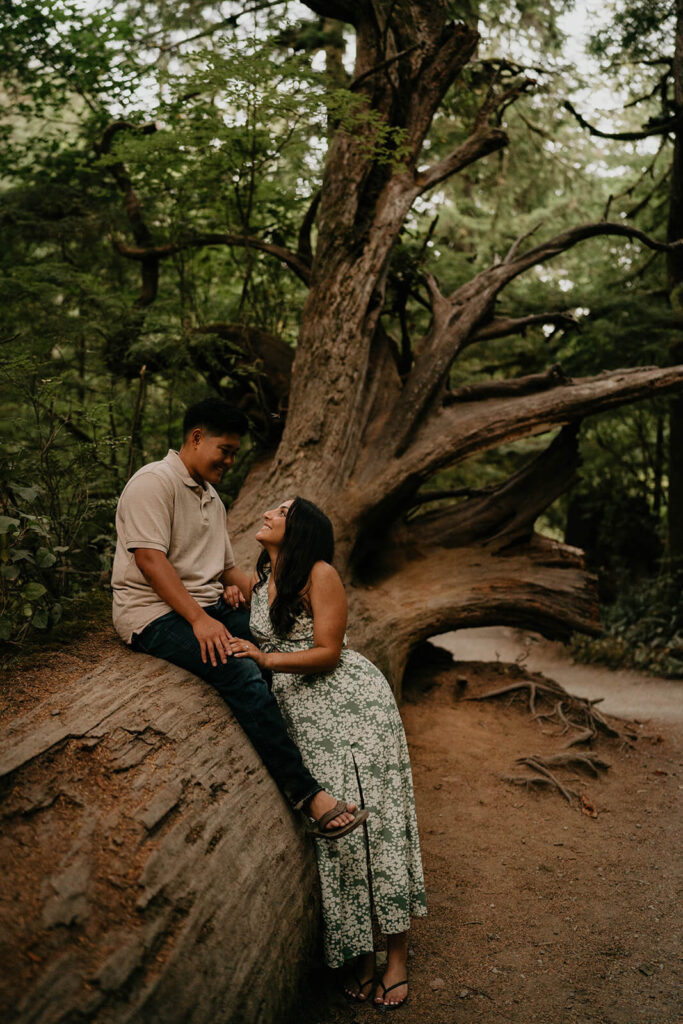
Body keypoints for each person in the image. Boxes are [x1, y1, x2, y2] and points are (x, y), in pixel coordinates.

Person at [111, 397, 367, 839]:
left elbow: (227, 571)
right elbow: (151, 561)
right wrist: (199, 620)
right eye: (224, 450)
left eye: (233, 453)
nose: (229, 461)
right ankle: (308, 796)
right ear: (196, 438)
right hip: (151, 614)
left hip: (205, 607)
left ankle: (323, 751)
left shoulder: (211, 498)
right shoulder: (153, 483)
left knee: (270, 646)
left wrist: (287, 597)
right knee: (241, 669)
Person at [229, 497, 427, 1010]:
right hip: (303, 718)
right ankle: (360, 953)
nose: (269, 513)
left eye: (282, 511)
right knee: (338, 834)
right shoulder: (259, 579)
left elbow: (328, 651)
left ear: (301, 529)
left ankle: (397, 957)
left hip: (353, 708)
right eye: (272, 507)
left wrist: (263, 657)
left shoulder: (320, 574)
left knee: (377, 823)